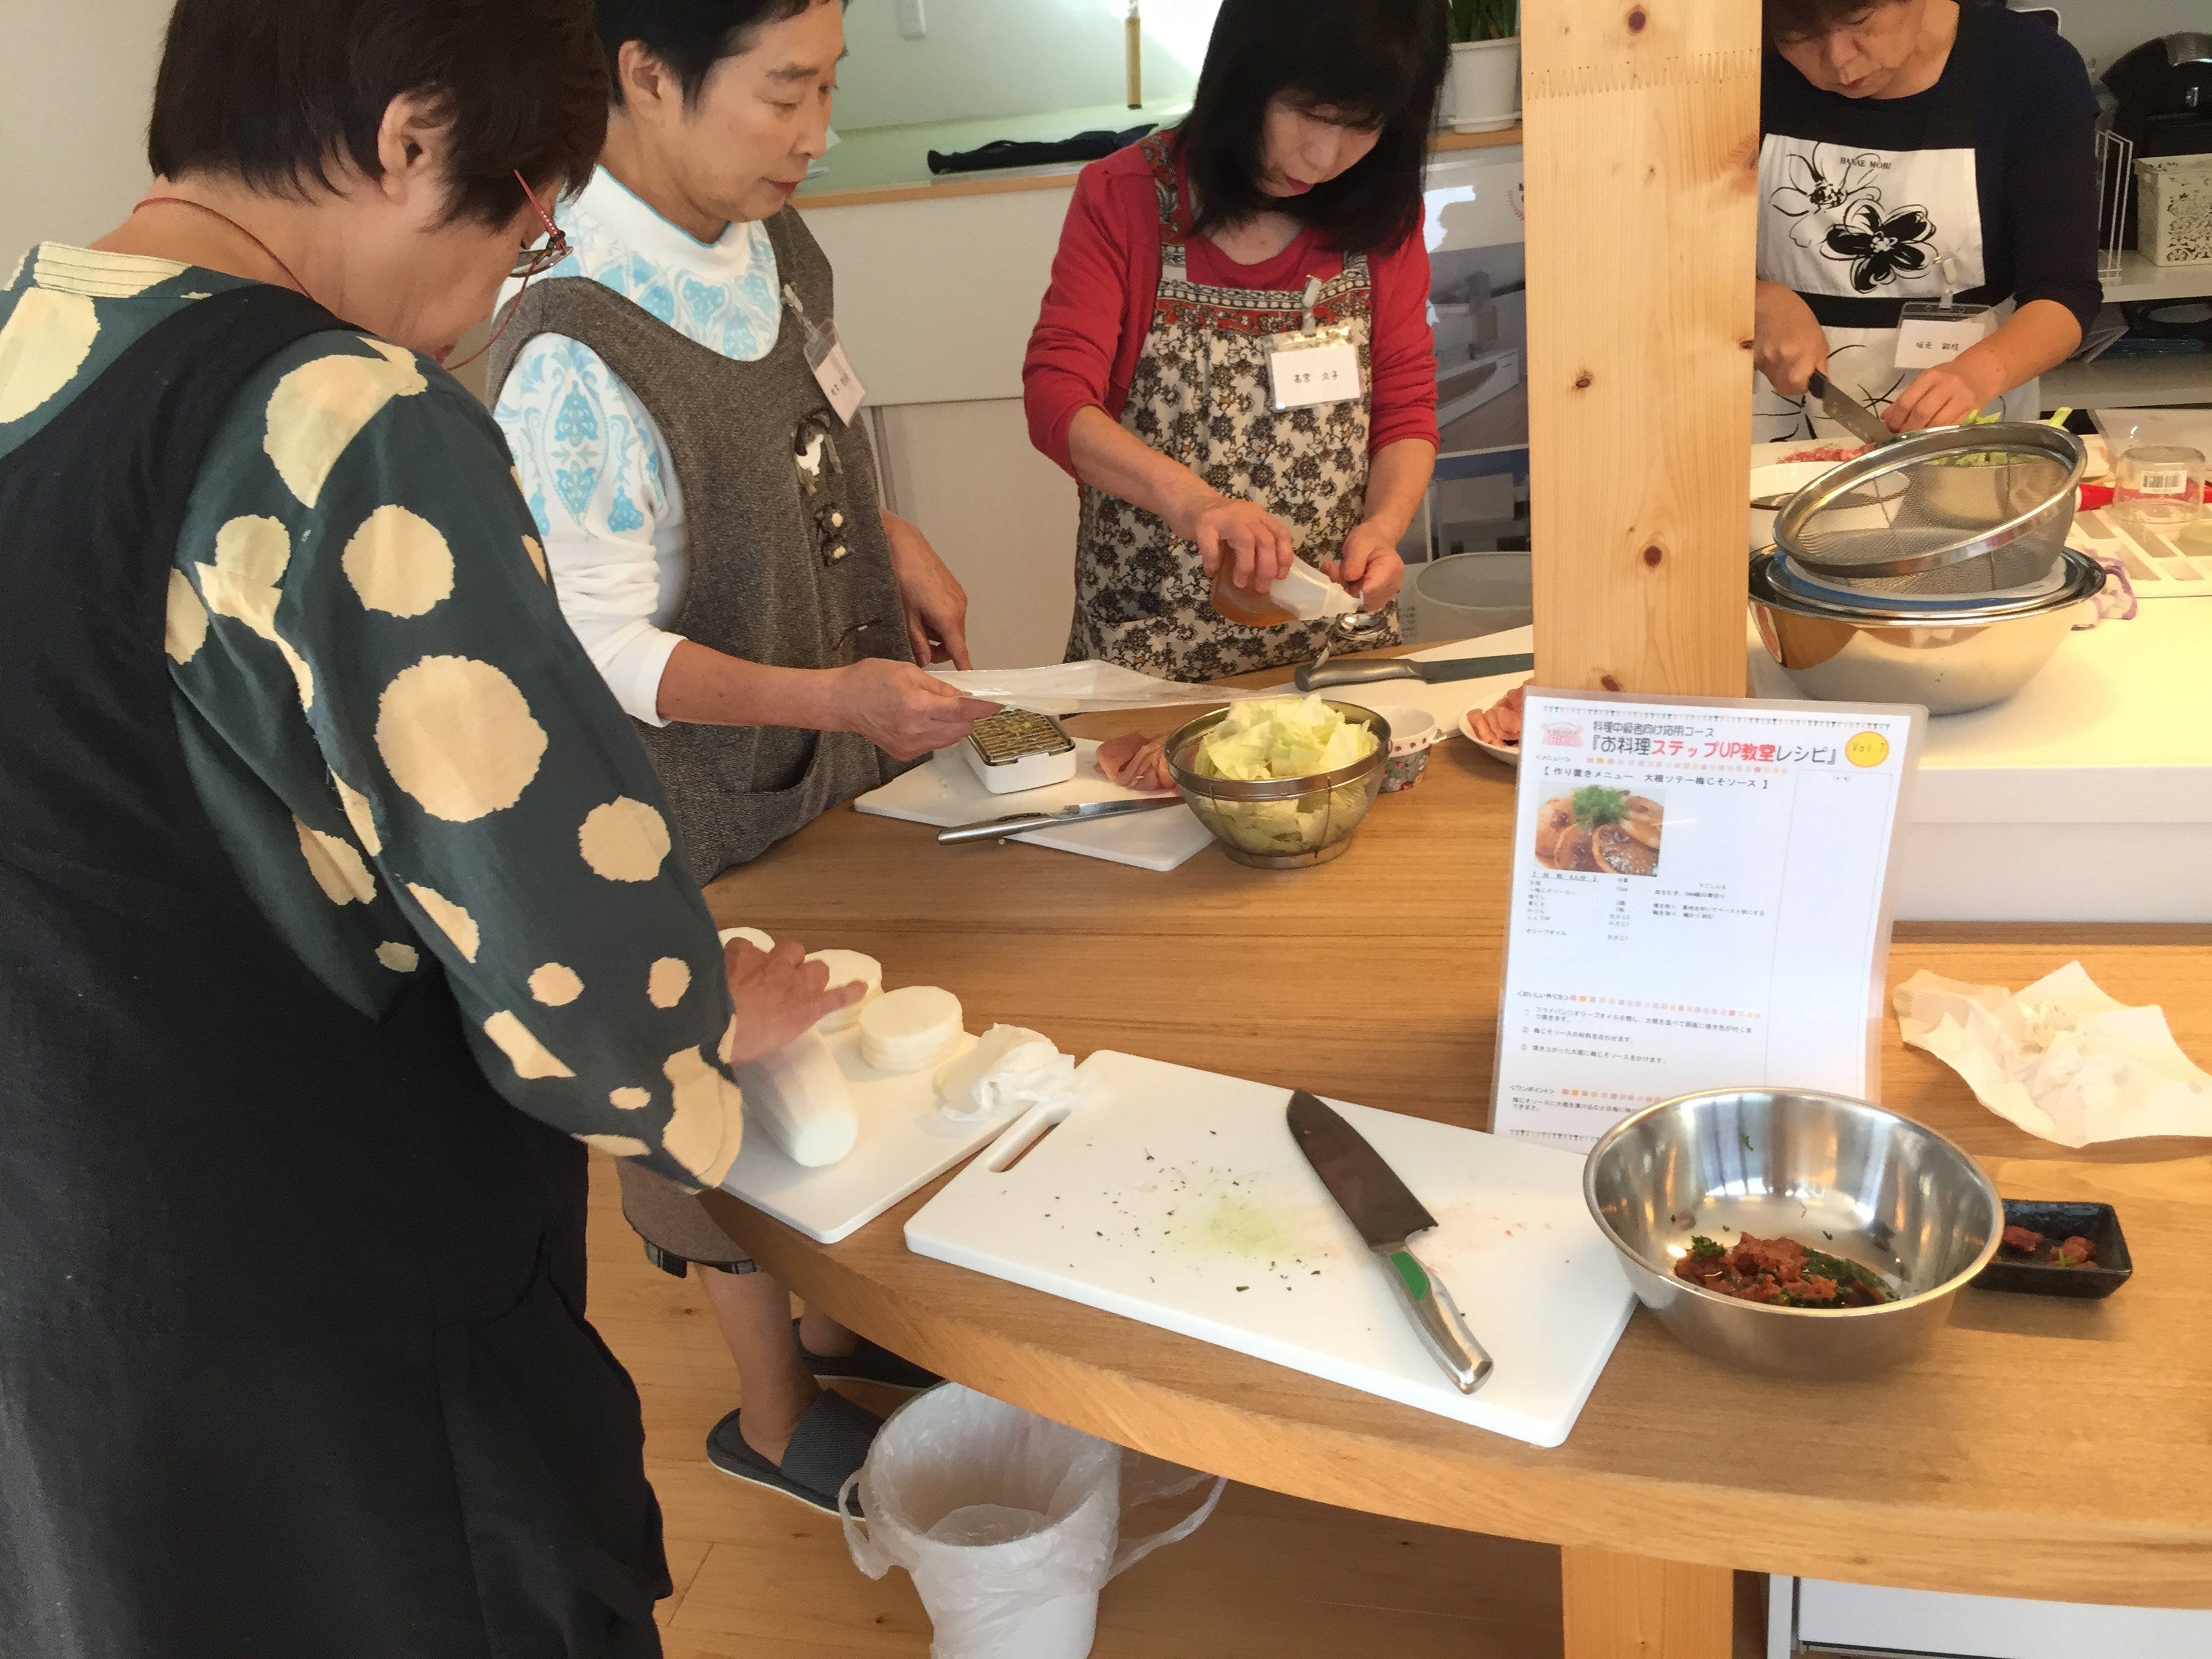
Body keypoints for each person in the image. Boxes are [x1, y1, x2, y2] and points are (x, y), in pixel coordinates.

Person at [0, 3, 860, 1654]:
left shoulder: (33, 339)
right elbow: (573, 987)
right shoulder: (346, 416)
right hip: (327, 1313)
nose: (499, 294)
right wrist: (691, 1007)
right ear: (409, 141)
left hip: (62, 1286)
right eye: (526, 224)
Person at [488, 0, 985, 1515]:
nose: (816, 135)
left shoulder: (770, 234)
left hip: (816, 749)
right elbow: (598, 648)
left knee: (825, 1045)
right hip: (683, 804)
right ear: (646, 75)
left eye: (829, 88)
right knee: (717, 1089)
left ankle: (831, 1322)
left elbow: (806, 425)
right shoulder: (567, 338)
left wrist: (891, 535)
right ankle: (771, 1414)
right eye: (784, 94)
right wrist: (833, 697)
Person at [1023, 0, 1448, 682]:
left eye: (1361, 125)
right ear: (1244, 74)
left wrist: (1382, 528)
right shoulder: (1126, 195)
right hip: (1150, 648)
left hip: (1332, 645)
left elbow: (1405, 406)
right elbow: (1057, 396)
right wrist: (1196, 503)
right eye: (1307, 111)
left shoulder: (1381, 213)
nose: (1325, 156)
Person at [1751, 0, 2102, 439]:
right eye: (1799, 38)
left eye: (1859, 21)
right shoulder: (1738, 60)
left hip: (1966, 421)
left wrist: (1979, 373)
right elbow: (1676, 252)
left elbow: (2066, 291)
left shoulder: (2025, 64)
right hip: (1767, 417)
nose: (1839, 61)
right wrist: (1753, 298)